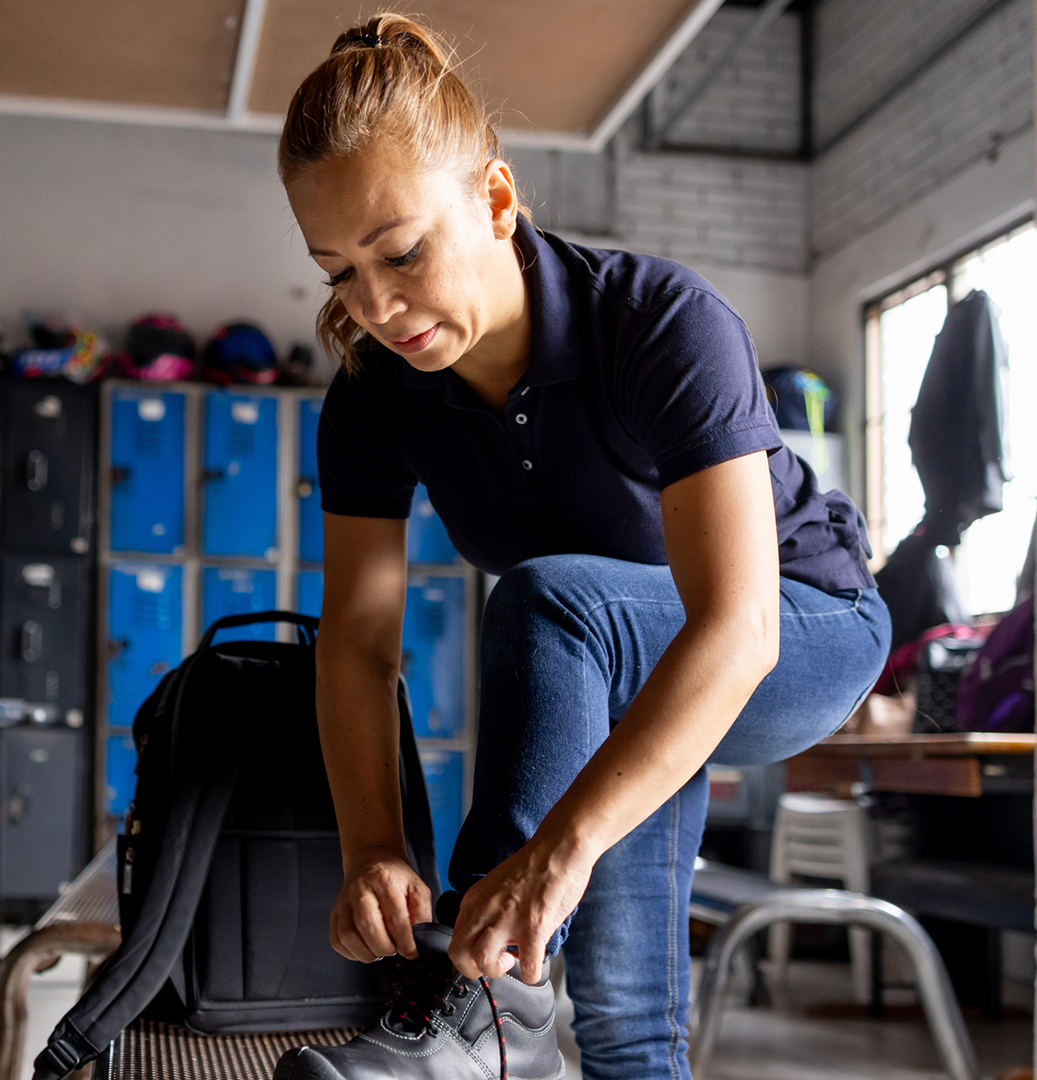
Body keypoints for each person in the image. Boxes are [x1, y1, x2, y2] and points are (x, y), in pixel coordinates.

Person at [270, 14, 889, 1080]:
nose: (375, 307)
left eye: (402, 252)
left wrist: (553, 857)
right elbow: (358, 646)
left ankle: (477, 1005)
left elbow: (735, 630)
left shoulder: (658, 323)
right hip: (635, 660)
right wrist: (373, 846)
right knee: (621, 1025)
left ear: (498, 200)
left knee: (553, 600)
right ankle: (523, 1029)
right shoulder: (374, 397)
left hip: (800, 628)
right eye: (338, 274)